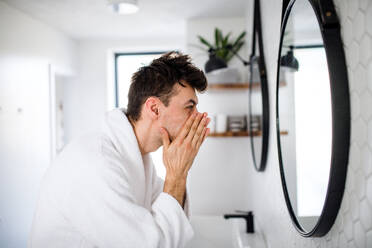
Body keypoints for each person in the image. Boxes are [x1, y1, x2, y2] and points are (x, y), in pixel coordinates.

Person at [29, 51, 210, 248]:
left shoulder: (139, 160)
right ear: (155, 109)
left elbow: (171, 221)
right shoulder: (97, 163)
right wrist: (176, 174)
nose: (197, 117)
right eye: (189, 107)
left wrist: (179, 173)